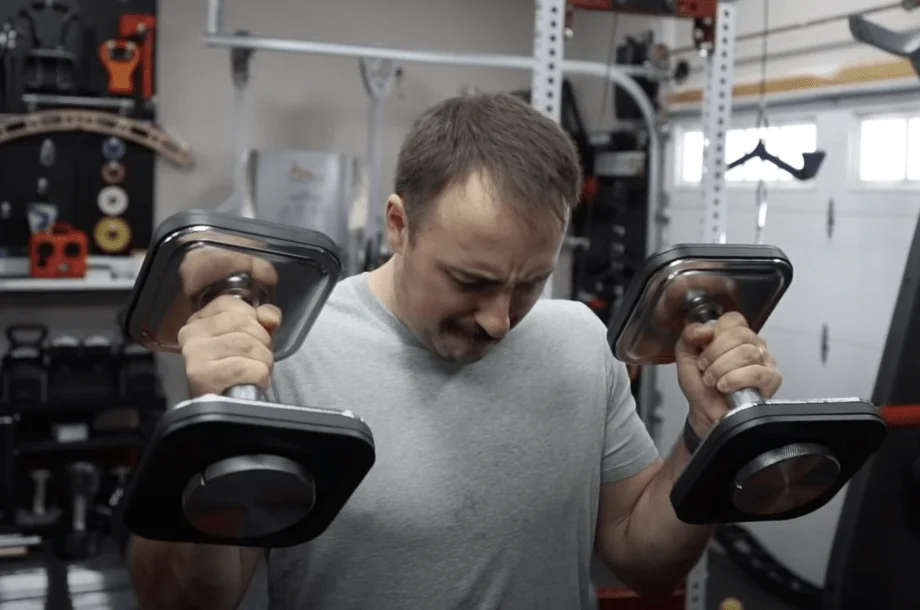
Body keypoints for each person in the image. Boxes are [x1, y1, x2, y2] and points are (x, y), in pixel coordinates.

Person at [127, 93, 782, 610]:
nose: (499, 320)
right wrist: (208, 428)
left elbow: (647, 563)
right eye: (471, 281)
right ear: (399, 225)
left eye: (530, 283)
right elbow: (180, 601)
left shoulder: (581, 342)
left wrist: (706, 437)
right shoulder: (287, 352)